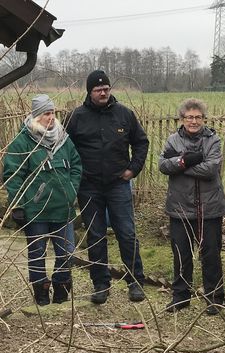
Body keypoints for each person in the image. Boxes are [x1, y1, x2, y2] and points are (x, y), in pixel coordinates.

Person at [66, 70, 149, 304]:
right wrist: (76, 176)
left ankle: (135, 282)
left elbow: (141, 142)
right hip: (89, 187)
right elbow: (66, 149)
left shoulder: (124, 114)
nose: (103, 93)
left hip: (118, 185)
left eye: (106, 89)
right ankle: (101, 284)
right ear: (89, 92)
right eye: (98, 90)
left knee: (127, 233)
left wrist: (133, 169)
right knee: (95, 236)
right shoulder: (76, 117)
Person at [3, 94, 82, 305]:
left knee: (66, 253)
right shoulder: (23, 142)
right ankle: (40, 292)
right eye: (46, 113)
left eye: (53, 113)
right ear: (37, 116)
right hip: (36, 209)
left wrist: (71, 190)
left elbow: (76, 165)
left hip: (62, 207)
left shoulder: (63, 138)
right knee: (37, 254)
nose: (51, 117)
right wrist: (19, 203)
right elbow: (13, 175)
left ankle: (61, 287)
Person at [159, 98, 225, 316]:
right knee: (181, 254)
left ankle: (214, 298)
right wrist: (185, 161)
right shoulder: (172, 140)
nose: (194, 121)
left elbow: (211, 169)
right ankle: (180, 297)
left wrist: (179, 164)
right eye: (190, 117)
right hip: (179, 207)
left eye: (198, 117)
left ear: (204, 119)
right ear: (182, 119)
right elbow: (163, 165)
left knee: (211, 255)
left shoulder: (213, 139)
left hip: (210, 207)